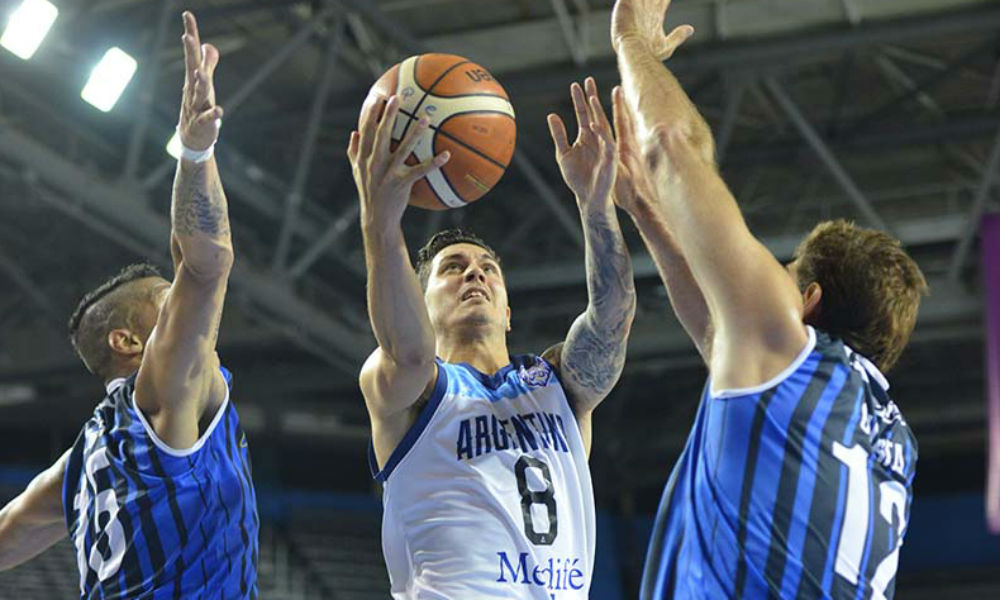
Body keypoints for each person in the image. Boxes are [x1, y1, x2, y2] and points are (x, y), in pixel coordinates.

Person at [608, 1, 928, 598]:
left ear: (805, 301)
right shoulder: (890, 439)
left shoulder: (787, 345)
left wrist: (631, 42)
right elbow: (716, 336)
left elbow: (672, 145)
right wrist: (646, 213)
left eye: (781, 274)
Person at [0, 12, 258, 597]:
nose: (184, 316)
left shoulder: (82, 463)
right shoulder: (164, 390)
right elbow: (204, 261)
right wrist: (196, 153)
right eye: (166, 306)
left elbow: (6, 535)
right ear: (129, 342)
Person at [348, 76, 635, 598]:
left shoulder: (557, 385)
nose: (474, 274)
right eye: (451, 269)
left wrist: (596, 203)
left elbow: (613, 316)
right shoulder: (409, 386)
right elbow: (409, 349)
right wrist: (380, 225)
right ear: (421, 301)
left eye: (487, 269)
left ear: (508, 312)